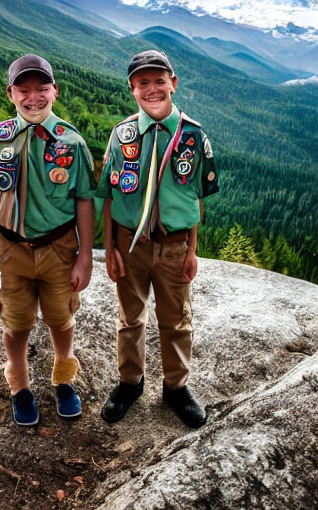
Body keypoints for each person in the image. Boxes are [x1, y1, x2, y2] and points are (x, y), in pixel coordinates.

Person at [96, 49, 219, 428]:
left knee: (176, 319)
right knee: (130, 318)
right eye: (143, 82)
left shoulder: (194, 136)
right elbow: (107, 194)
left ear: (173, 83)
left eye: (159, 81)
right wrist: (111, 248)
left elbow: (197, 196)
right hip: (132, 244)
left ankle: (176, 387)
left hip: (174, 245)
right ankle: (130, 382)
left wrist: (192, 250)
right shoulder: (123, 136)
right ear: (132, 88)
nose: (152, 89)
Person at [0, 54, 97, 427]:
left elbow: (83, 201)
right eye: (24, 90)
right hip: (11, 250)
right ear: (10, 92)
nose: (33, 97)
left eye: (41, 89)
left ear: (54, 91)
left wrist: (85, 257)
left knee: (61, 318)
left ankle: (63, 377)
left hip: (58, 250)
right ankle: (20, 386)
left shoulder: (71, 143)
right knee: (16, 323)